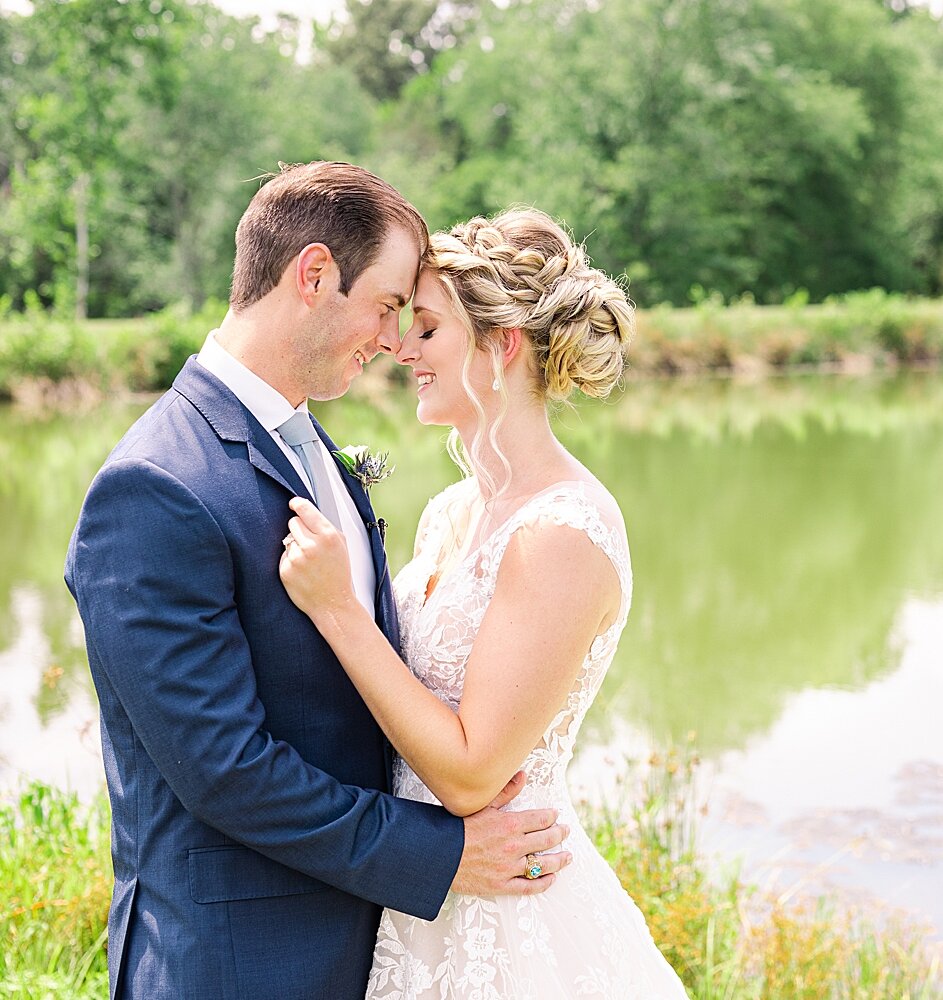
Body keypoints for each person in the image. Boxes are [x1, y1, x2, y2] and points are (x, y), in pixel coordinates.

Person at [64, 162, 571, 1000]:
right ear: (313, 275)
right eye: (383, 306)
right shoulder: (157, 487)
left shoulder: (307, 444)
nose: (391, 339)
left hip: (364, 943)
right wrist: (440, 853)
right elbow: (224, 769)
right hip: (238, 962)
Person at [278, 207, 689, 997]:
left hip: (508, 917)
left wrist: (336, 610)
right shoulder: (452, 512)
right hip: (422, 888)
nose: (401, 350)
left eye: (427, 330)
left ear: (502, 348)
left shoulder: (562, 532)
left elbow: (471, 774)